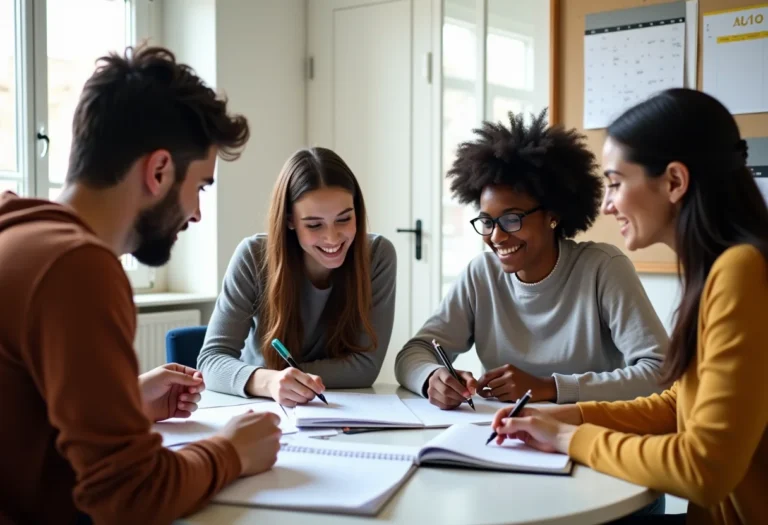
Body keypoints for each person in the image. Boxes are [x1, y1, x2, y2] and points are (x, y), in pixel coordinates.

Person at [0, 46, 282, 524]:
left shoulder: (16, 229)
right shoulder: (75, 267)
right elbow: (131, 497)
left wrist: (126, 399)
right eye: (200, 187)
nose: (197, 213)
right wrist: (231, 451)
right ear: (158, 171)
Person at [491, 88, 768, 525]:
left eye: (616, 183)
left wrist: (567, 438)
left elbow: (705, 470)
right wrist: (570, 415)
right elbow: (680, 406)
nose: (607, 205)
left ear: (674, 182)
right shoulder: (722, 267)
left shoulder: (741, 272)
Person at [396, 110, 669, 407]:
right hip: (500, 429)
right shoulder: (481, 275)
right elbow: (414, 353)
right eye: (487, 221)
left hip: (583, 427)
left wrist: (549, 387)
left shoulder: (602, 269)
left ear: (553, 215)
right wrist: (433, 378)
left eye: (511, 219)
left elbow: (659, 373)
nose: (496, 236)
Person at [197, 147, 397, 406]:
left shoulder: (378, 256)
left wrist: (284, 375)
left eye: (344, 219)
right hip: (262, 405)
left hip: (339, 408)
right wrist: (270, 382)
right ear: (290, 220)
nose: (332, 237)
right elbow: (211, 361)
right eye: (314, 225)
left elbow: (365, 368)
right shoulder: (253, 257)